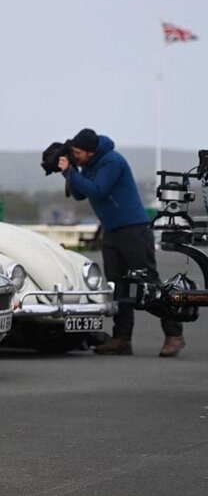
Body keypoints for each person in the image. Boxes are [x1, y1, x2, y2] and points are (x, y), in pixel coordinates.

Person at [58, 128, 185, 357]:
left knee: (149, 284)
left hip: (133, 229)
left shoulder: (111, 162)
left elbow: (98, 189)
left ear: (90, 151)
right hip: (112, 231)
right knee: (118, 286)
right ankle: (122, 339)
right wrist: (71, 173)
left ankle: (174, 334)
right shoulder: (88, 165)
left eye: (77, 152)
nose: (75, 156)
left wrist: (71, 171)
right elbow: (80, 195)